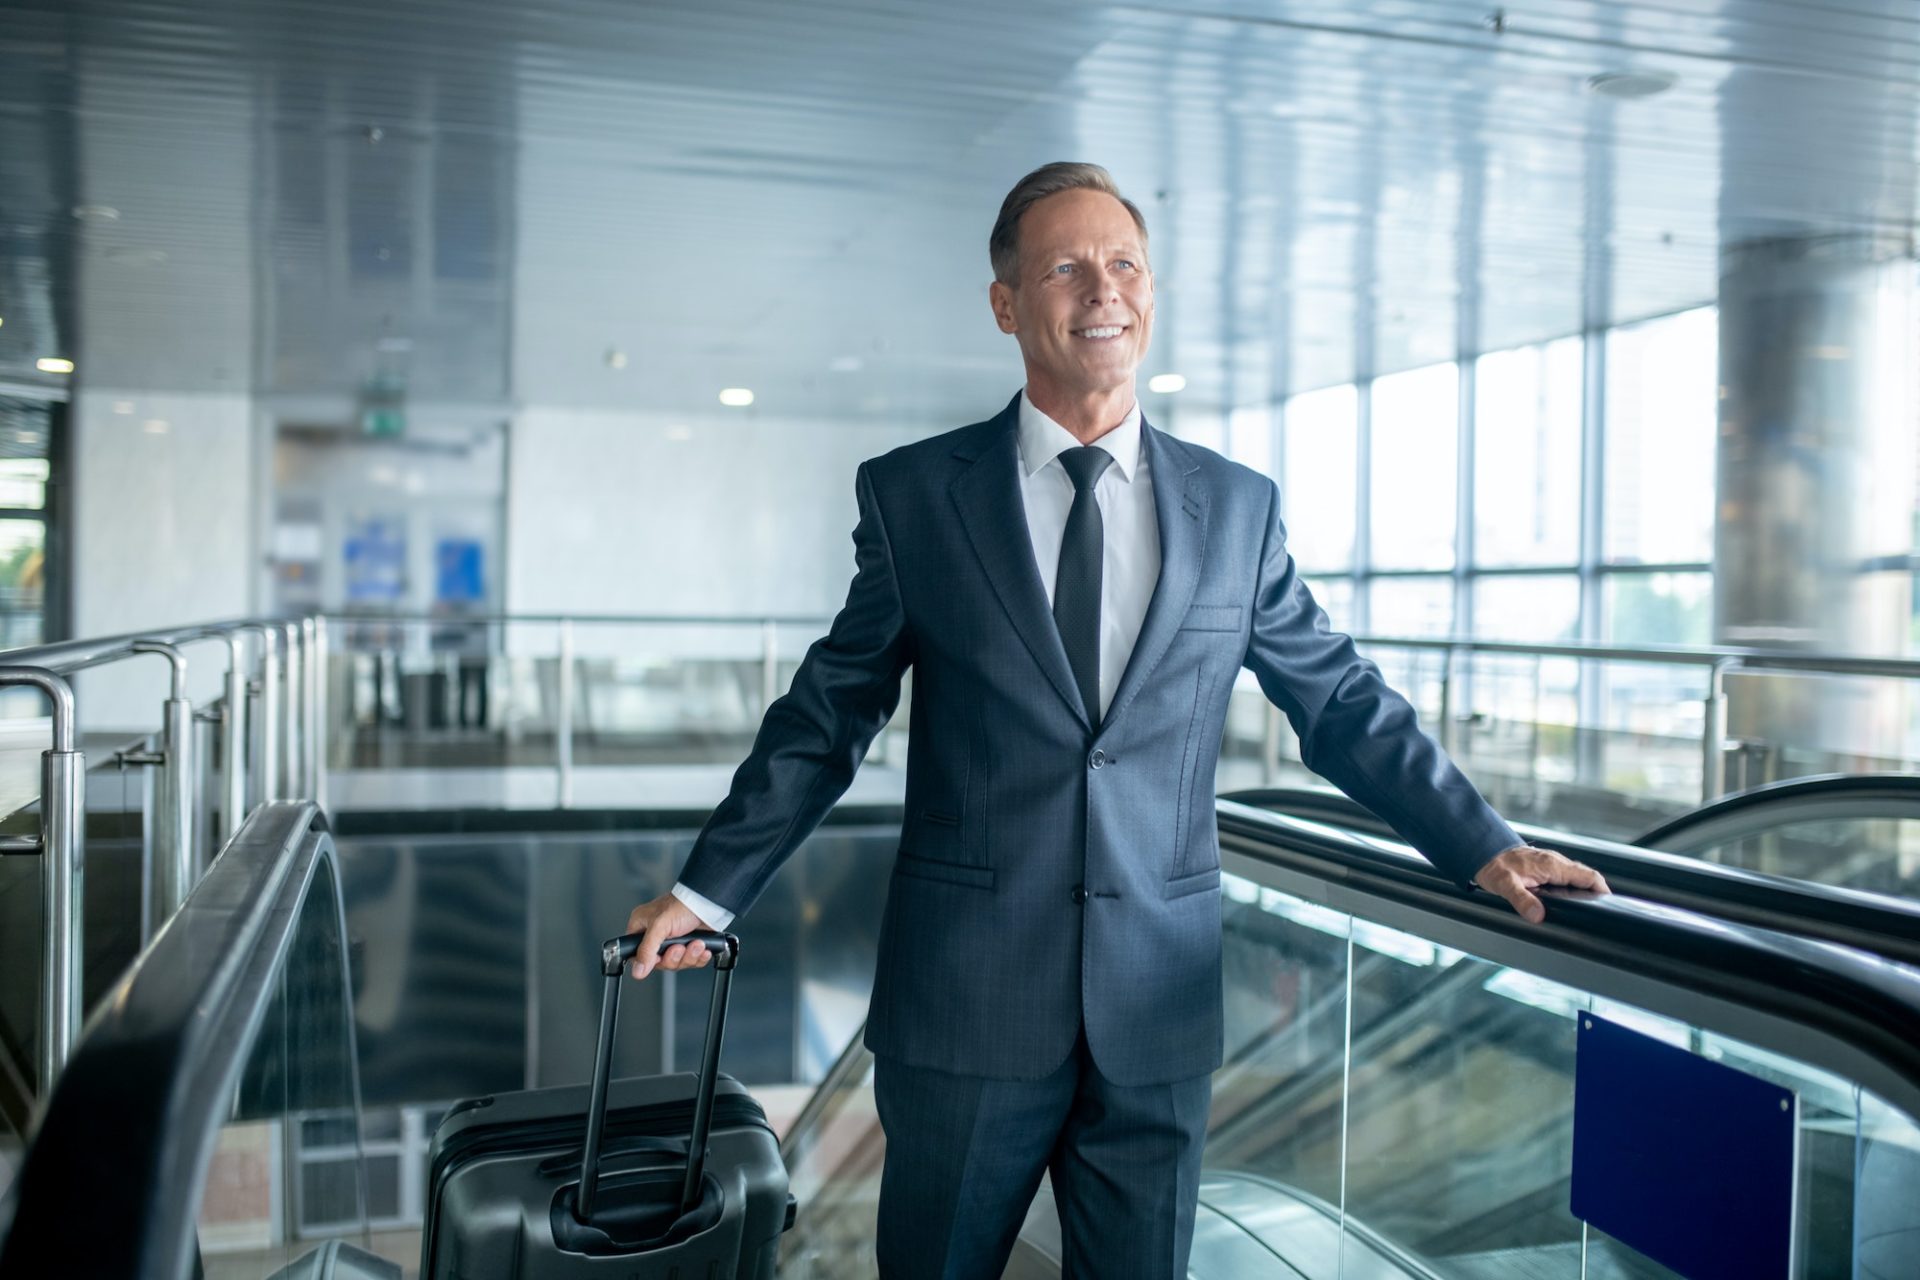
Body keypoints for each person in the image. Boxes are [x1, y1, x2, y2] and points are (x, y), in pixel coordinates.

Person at [623, 161, 1609, 1277]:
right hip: (967, 1006)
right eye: (1066, 267)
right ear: (1006, 303)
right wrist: (708, 887)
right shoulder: (917, 498)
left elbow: (1335, 696)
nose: (1105, 290)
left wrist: (1478, 841)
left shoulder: (1235, 507)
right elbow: (828, 709)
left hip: (1157, 1008)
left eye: (1126, 263)